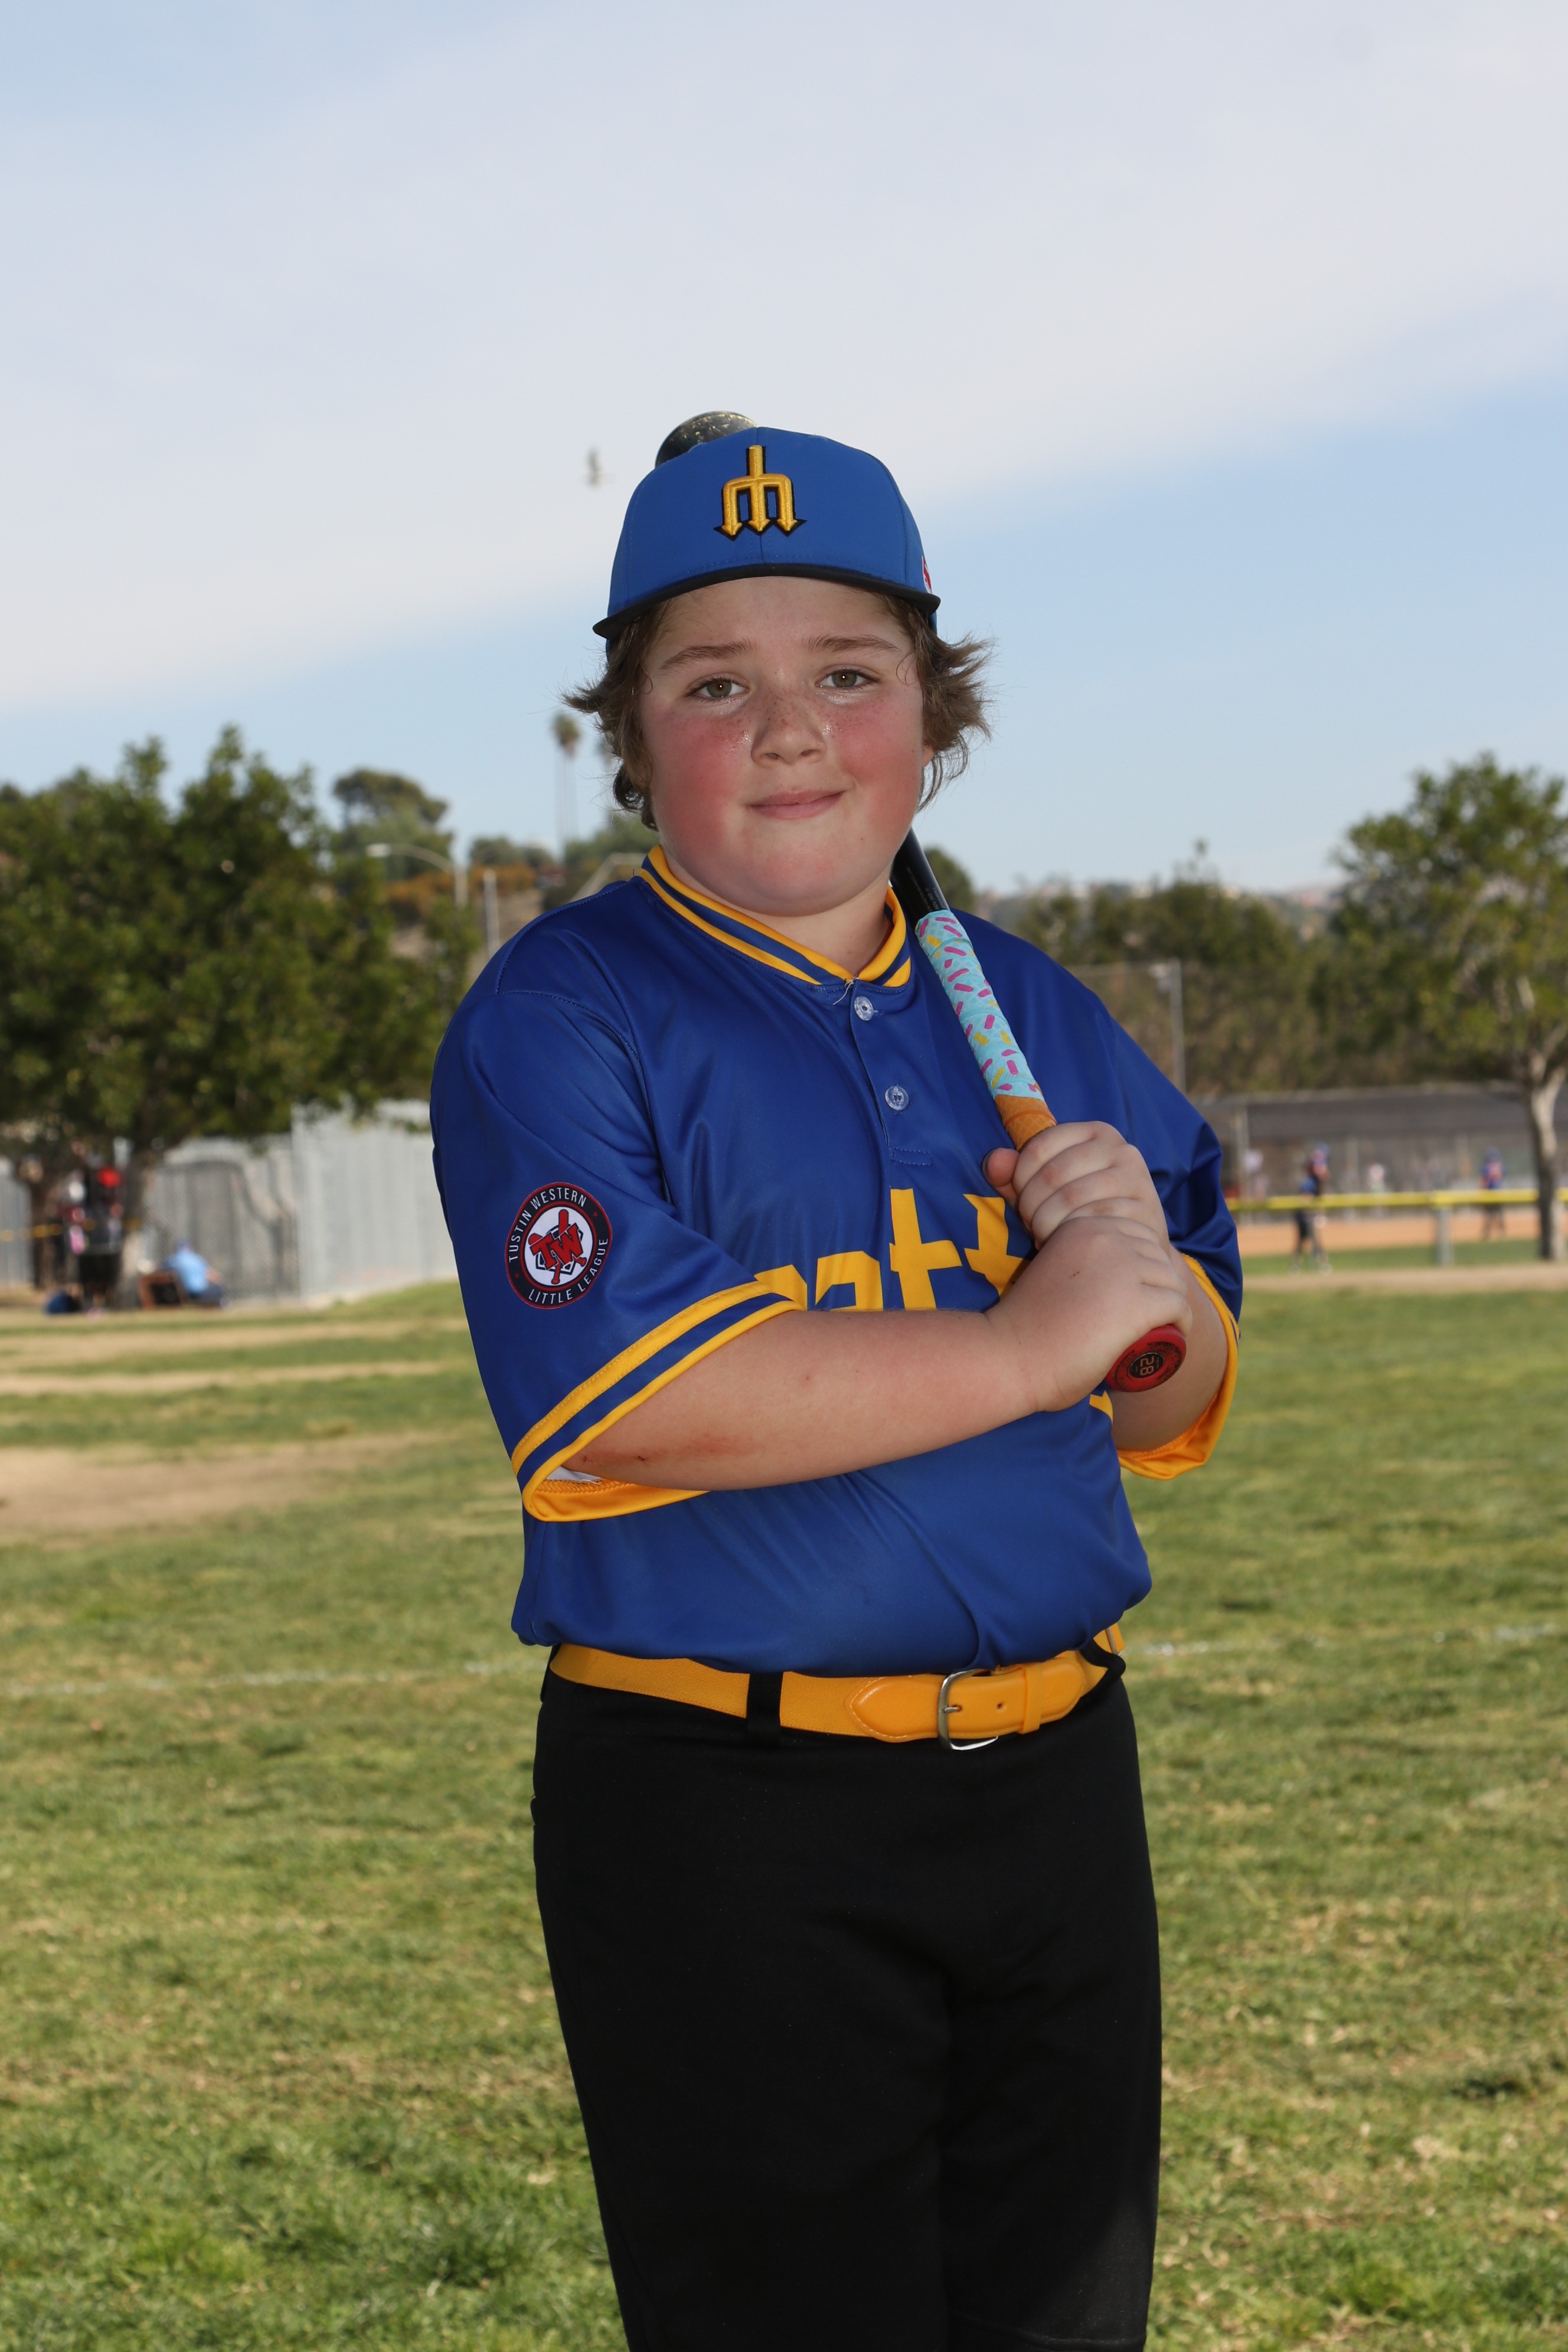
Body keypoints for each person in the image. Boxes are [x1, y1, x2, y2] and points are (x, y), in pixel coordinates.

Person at [432, 416, 1242, 2352]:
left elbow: (1166, 1388)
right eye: (715, 683)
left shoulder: (1032, 1007)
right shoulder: (564, 1009)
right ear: (631, 738)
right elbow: (638, 1399)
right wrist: (1028, 1337)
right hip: (728, 1810)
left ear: (933, 716)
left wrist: (1130, 1282)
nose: (790, 729)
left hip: (1057, 1784)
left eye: (849, 674)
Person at [1292, 1142, 1332, 1271]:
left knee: (1311, 1241)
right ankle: (1300, 1266)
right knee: (1304, 1240)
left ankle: (1299, 1266)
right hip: (1304, 1216)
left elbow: (1325, 1178)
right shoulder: (1309, 1182)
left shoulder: (1317, 1182)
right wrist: (1311, 1213)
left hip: (1309, 1215)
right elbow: (1306, 1198)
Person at [1479, 1148, 1506, 1240]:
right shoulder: (1500, 1166)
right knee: (1499, 1213)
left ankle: (1487, 1233)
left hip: (1490, 1193)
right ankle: (1502, 1232)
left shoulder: (1486, 1167)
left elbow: (1484, 1182)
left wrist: (1483, 1193)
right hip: (1498, 1193)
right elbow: (1501, 1179)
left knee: (1489, 1214)